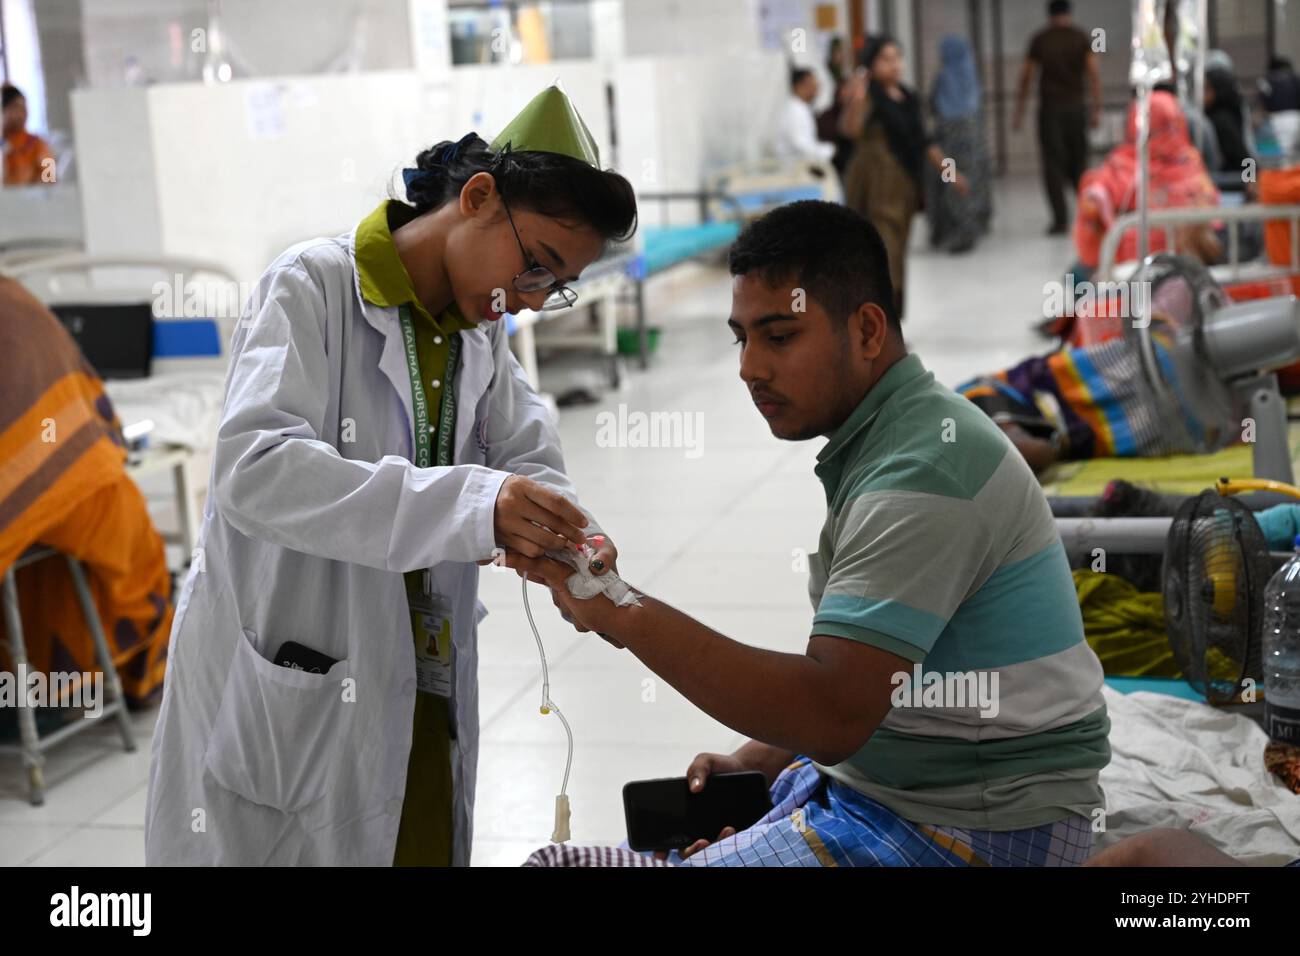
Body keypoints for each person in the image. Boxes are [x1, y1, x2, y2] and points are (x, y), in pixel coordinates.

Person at [509, 201, 1110, 867]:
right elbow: (875, 680)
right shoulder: (894, 437)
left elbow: (832, 711)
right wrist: (763, 759)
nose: (750, 367)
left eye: (780, 336)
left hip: (973, 829)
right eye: (742, 339)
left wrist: (619, 608)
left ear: (868, 329)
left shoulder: (924, 470)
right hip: (893, 788)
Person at [144, 85, 635, 866]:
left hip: (419, 671)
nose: (532, 300)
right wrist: (474, 505)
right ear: (478, 198)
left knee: (413, 832)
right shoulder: (311, 287)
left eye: (555, 285)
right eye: (535, 266)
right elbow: (255, 469)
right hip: (297, 672)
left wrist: (568, 532)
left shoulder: (477, 329)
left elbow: (523, 446)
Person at [0, 277, 174, 716]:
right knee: (126, 537)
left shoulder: (13, 306)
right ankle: (127, 672)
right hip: (74, 480)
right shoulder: (16, 300)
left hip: (50, 487)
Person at [841, 35, 969, 318]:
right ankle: (878, 324)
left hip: (903, 188)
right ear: (871, 64)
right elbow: (851, 130)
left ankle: (891, 323)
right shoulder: (869, 96)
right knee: (882, 254)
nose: (895, 65)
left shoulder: (908, 98)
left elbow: (926, 142)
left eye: (897, 58)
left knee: (897, 254)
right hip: (873, 187)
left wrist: (951, 174)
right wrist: (856, 99)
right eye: (885, 59)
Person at [1071, 90, 1220, 282]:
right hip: (1193, 270)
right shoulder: (1191, 163)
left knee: (1076, 277)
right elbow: (1214, 211)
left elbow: (1090, 218)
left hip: (1133, 271)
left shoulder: (1124, 168)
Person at [1013, 1, 1101, 235]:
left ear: (1049, 14)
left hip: (1051, 111)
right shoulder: (1080, 37)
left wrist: (1019, 111)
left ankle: (1061, 220)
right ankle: (1088, 215)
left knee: (1052, 164)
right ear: (1068, 13)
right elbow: (1093, 74)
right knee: (1080, 163)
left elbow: (1026, 76)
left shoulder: (1040, 39)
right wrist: (1096, 109)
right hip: (1076, 109)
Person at [926, 35, 992, 253]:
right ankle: (974, 225)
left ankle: (953, 231)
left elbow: (932, 105)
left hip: (948, 146)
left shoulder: (943, 78)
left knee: (950, 183)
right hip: (974, 148)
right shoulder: (971, 77)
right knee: (973, 184)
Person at [773, 67, 835, 164]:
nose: (817, 85)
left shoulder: (800, 107)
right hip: (792, 167)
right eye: (812, 82)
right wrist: (829, 151)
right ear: (799, 85)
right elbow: (800, 145)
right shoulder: (794, 110)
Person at [815, 36, 855, 175]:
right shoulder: (825, 74)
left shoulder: (845, 74)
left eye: (844, 52)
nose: (842, 56)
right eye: (838, 52)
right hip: (829, 119)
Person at [1, 84, 55, 187]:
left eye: (24, 108)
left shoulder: (38, 144)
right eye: (16, 107)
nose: (23, 113)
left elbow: (50, 179)